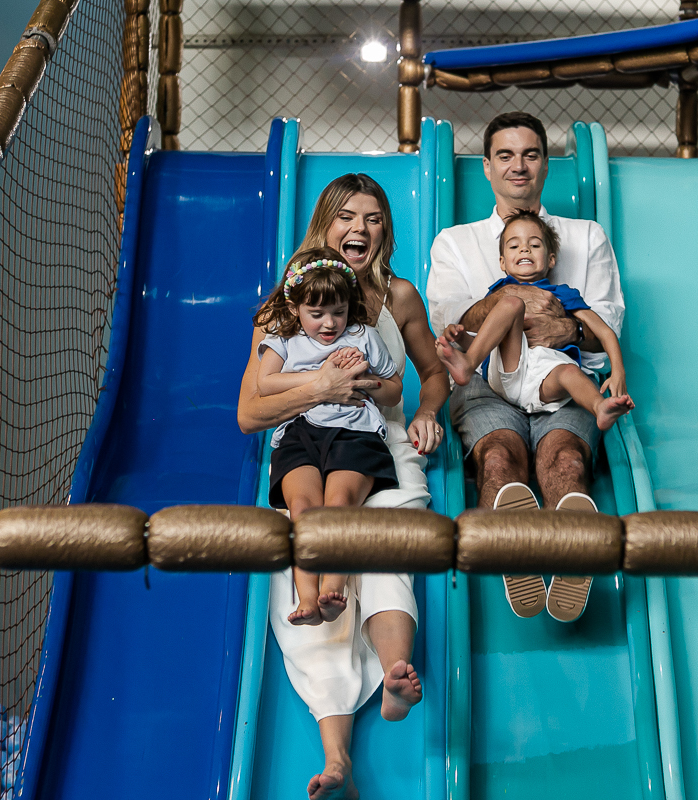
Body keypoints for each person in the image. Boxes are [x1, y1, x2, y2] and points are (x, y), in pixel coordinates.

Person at [237, 173, 449, 800]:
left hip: (376, 443)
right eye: (347, 217)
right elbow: (249, 411)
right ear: (324, 225)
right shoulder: (284, 306)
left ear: (386, 230)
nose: (360, 228)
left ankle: (395, 673)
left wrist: (426, 411)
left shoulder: (398, 297)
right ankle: (338, 759)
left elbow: (429, 374)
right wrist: (320, 387)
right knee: (304, 564)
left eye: (374, 218)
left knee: (385, 546)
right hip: (305, 441)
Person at [426, 111, 625, 622]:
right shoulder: (456, 242)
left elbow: (605, 330)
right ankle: (518, 561)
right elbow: (449, 323)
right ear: (487, 167)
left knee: (566, 462)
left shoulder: (586, 237)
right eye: (505, 155)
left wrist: (568, 330)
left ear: (545, 165)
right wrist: (506, 300)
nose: (519, 166)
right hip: (490, 381)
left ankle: (571, 561)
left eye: (531, 154)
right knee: (498, 459)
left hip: (561, 378)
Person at [254, 249, 403, 626]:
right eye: (316, 313)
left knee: (339, 502)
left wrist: (364, 379)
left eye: (338, 311)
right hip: (299, 433)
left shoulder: (363, 336)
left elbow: (393, 392)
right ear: (295, 308)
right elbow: (265, 383)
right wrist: (322, 377)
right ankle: (306, 597)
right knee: (303, 508)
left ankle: (331, 589)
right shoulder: (285, 338)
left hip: (355, 433)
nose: (329, 323)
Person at [434, 209, 634, 433]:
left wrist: (618, 372)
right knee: (512, 303)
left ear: (551, 259)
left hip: (546, 378)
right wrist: (462, 338)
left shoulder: (562, 295)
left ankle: (599, 408)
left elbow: (605, 332)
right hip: (507, 372)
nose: (524, 249)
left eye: (535, 245)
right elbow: (490, 346)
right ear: (502, 262)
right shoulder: (498, 296)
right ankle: (468, 363)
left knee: (570, 372)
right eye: (514, 246)